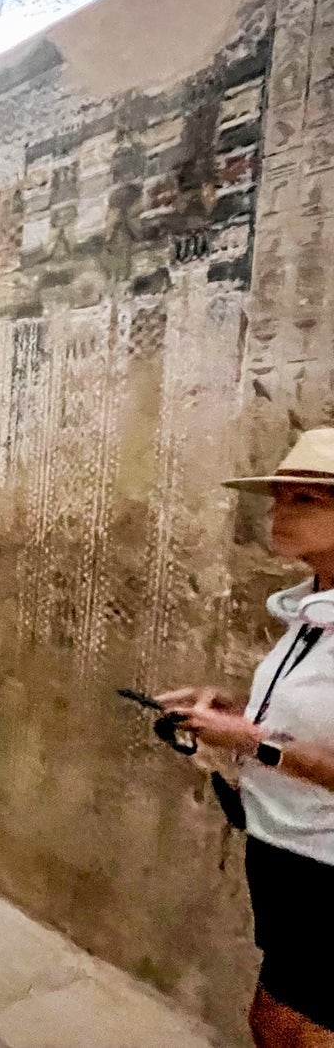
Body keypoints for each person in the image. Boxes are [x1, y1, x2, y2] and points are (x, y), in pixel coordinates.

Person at [160, 428, 334, 1048]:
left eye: (305, 501)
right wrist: (231, 711)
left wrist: (249, 740)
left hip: (324, 863)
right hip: (285, 847)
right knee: (275, 1018)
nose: (279, 513)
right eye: (279, 497)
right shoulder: (311, 609)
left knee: (291, 1025)